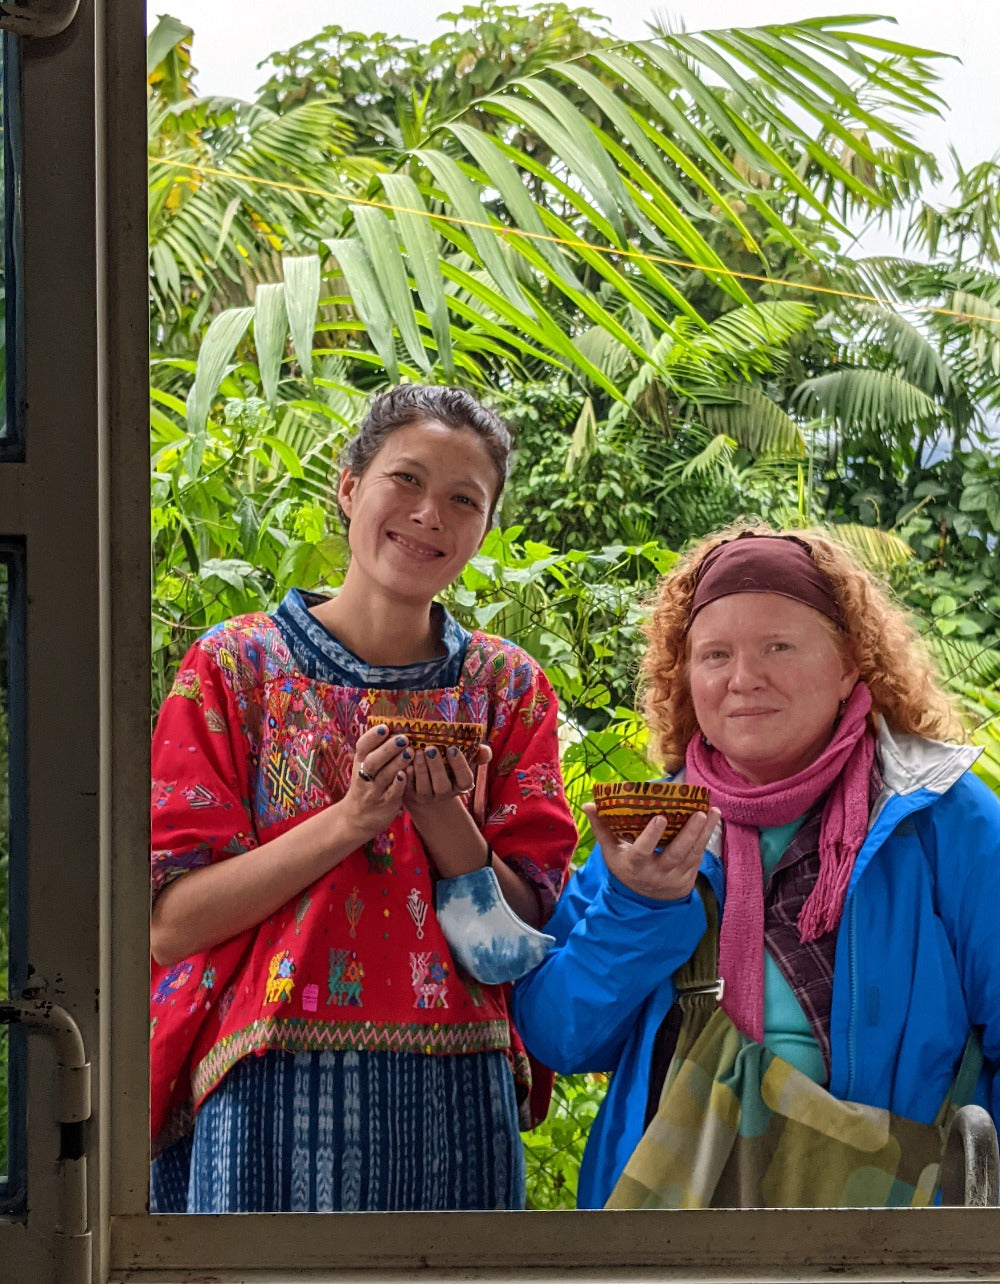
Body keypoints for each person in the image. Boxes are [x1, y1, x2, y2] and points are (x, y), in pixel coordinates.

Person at [149, 384, 577, 1213]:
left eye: (463, 499)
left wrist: (438, 813)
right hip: (261, 1087)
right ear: (349, 486)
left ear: (486, 528)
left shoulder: (506, 686)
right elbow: (171, 923)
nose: (430, 515)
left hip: (462, 1096)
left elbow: (514, 947)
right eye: (406, 480)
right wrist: (352, 820)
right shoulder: (235, 666)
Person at [513, 523, 1000, 1210]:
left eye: (779, 646)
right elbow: (561, 1035)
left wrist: (962, 1216)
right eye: (715, 654)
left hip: (892, 1238)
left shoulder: (940, 817)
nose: (744, 679)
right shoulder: (658, 823)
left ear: (849, 664)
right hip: (677, 1234)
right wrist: (637, 906)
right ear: (685, 675)